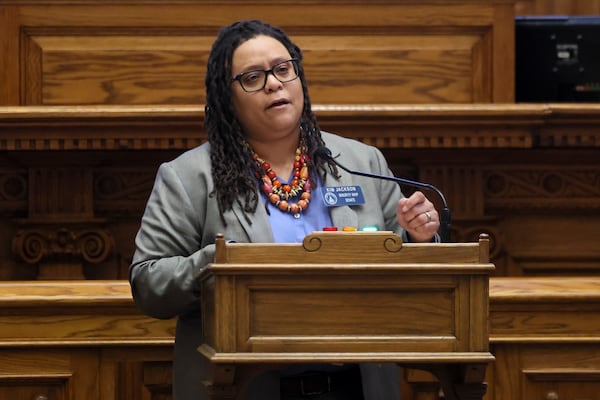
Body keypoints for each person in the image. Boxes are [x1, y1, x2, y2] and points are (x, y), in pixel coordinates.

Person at [129, 19, 440, 400]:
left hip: (357, 385)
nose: (274, 84)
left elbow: (413, 273)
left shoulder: (361, 161)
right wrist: (217, 265)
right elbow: (148, 283)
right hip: (244, 388)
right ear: (226, 97)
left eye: (282, 69)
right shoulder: (189, 177)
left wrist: (418, 235)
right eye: (252, 77)